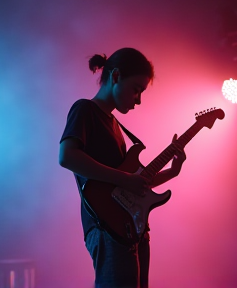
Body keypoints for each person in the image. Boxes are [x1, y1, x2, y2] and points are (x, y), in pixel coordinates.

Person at [59, 47, 186, 288]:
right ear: (115, 76)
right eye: (136, 89)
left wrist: (172, 171)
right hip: (106, 226)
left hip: (131, 227)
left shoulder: (116, 125)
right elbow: (67, 157)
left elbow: (129, 184)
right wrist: (125, 179)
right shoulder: (84, 109)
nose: (138, 100)